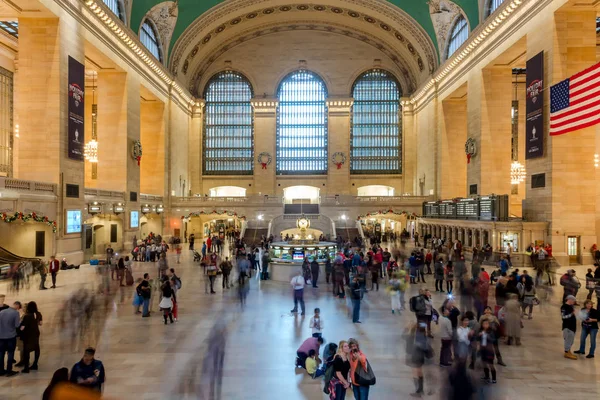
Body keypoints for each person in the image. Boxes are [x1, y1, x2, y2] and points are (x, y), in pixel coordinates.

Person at [19, 301, 42, 372]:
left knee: (27, 350)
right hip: (36, 333)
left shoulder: (27, 316)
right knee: (36, 348)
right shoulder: (38, 314)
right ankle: (35, 364)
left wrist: (18, 329)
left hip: (28, 334)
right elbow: (40, 323)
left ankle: (26, 368)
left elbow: (22, 327)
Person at [0, 301, 22, 376]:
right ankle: (9, 370)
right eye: (18, 308)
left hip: (1, 336)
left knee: (1, 353)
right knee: (10, 353)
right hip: (10, 336)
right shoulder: (15, 313)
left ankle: (1, 370)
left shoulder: (2, 312)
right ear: (17, 305)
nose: (18, 309)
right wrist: (20, 321)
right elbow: (16, 325)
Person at [561, 295, 578, 359]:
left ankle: (568, 351)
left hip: (572, 326)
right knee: (568, 339)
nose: (574, 302)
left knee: (571, 340)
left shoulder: (570, 307)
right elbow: (563, 317)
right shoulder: (564, 307)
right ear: (569, 300)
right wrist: (571, 314)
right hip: (567, 326)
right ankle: (566, 353)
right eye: (573, 300)